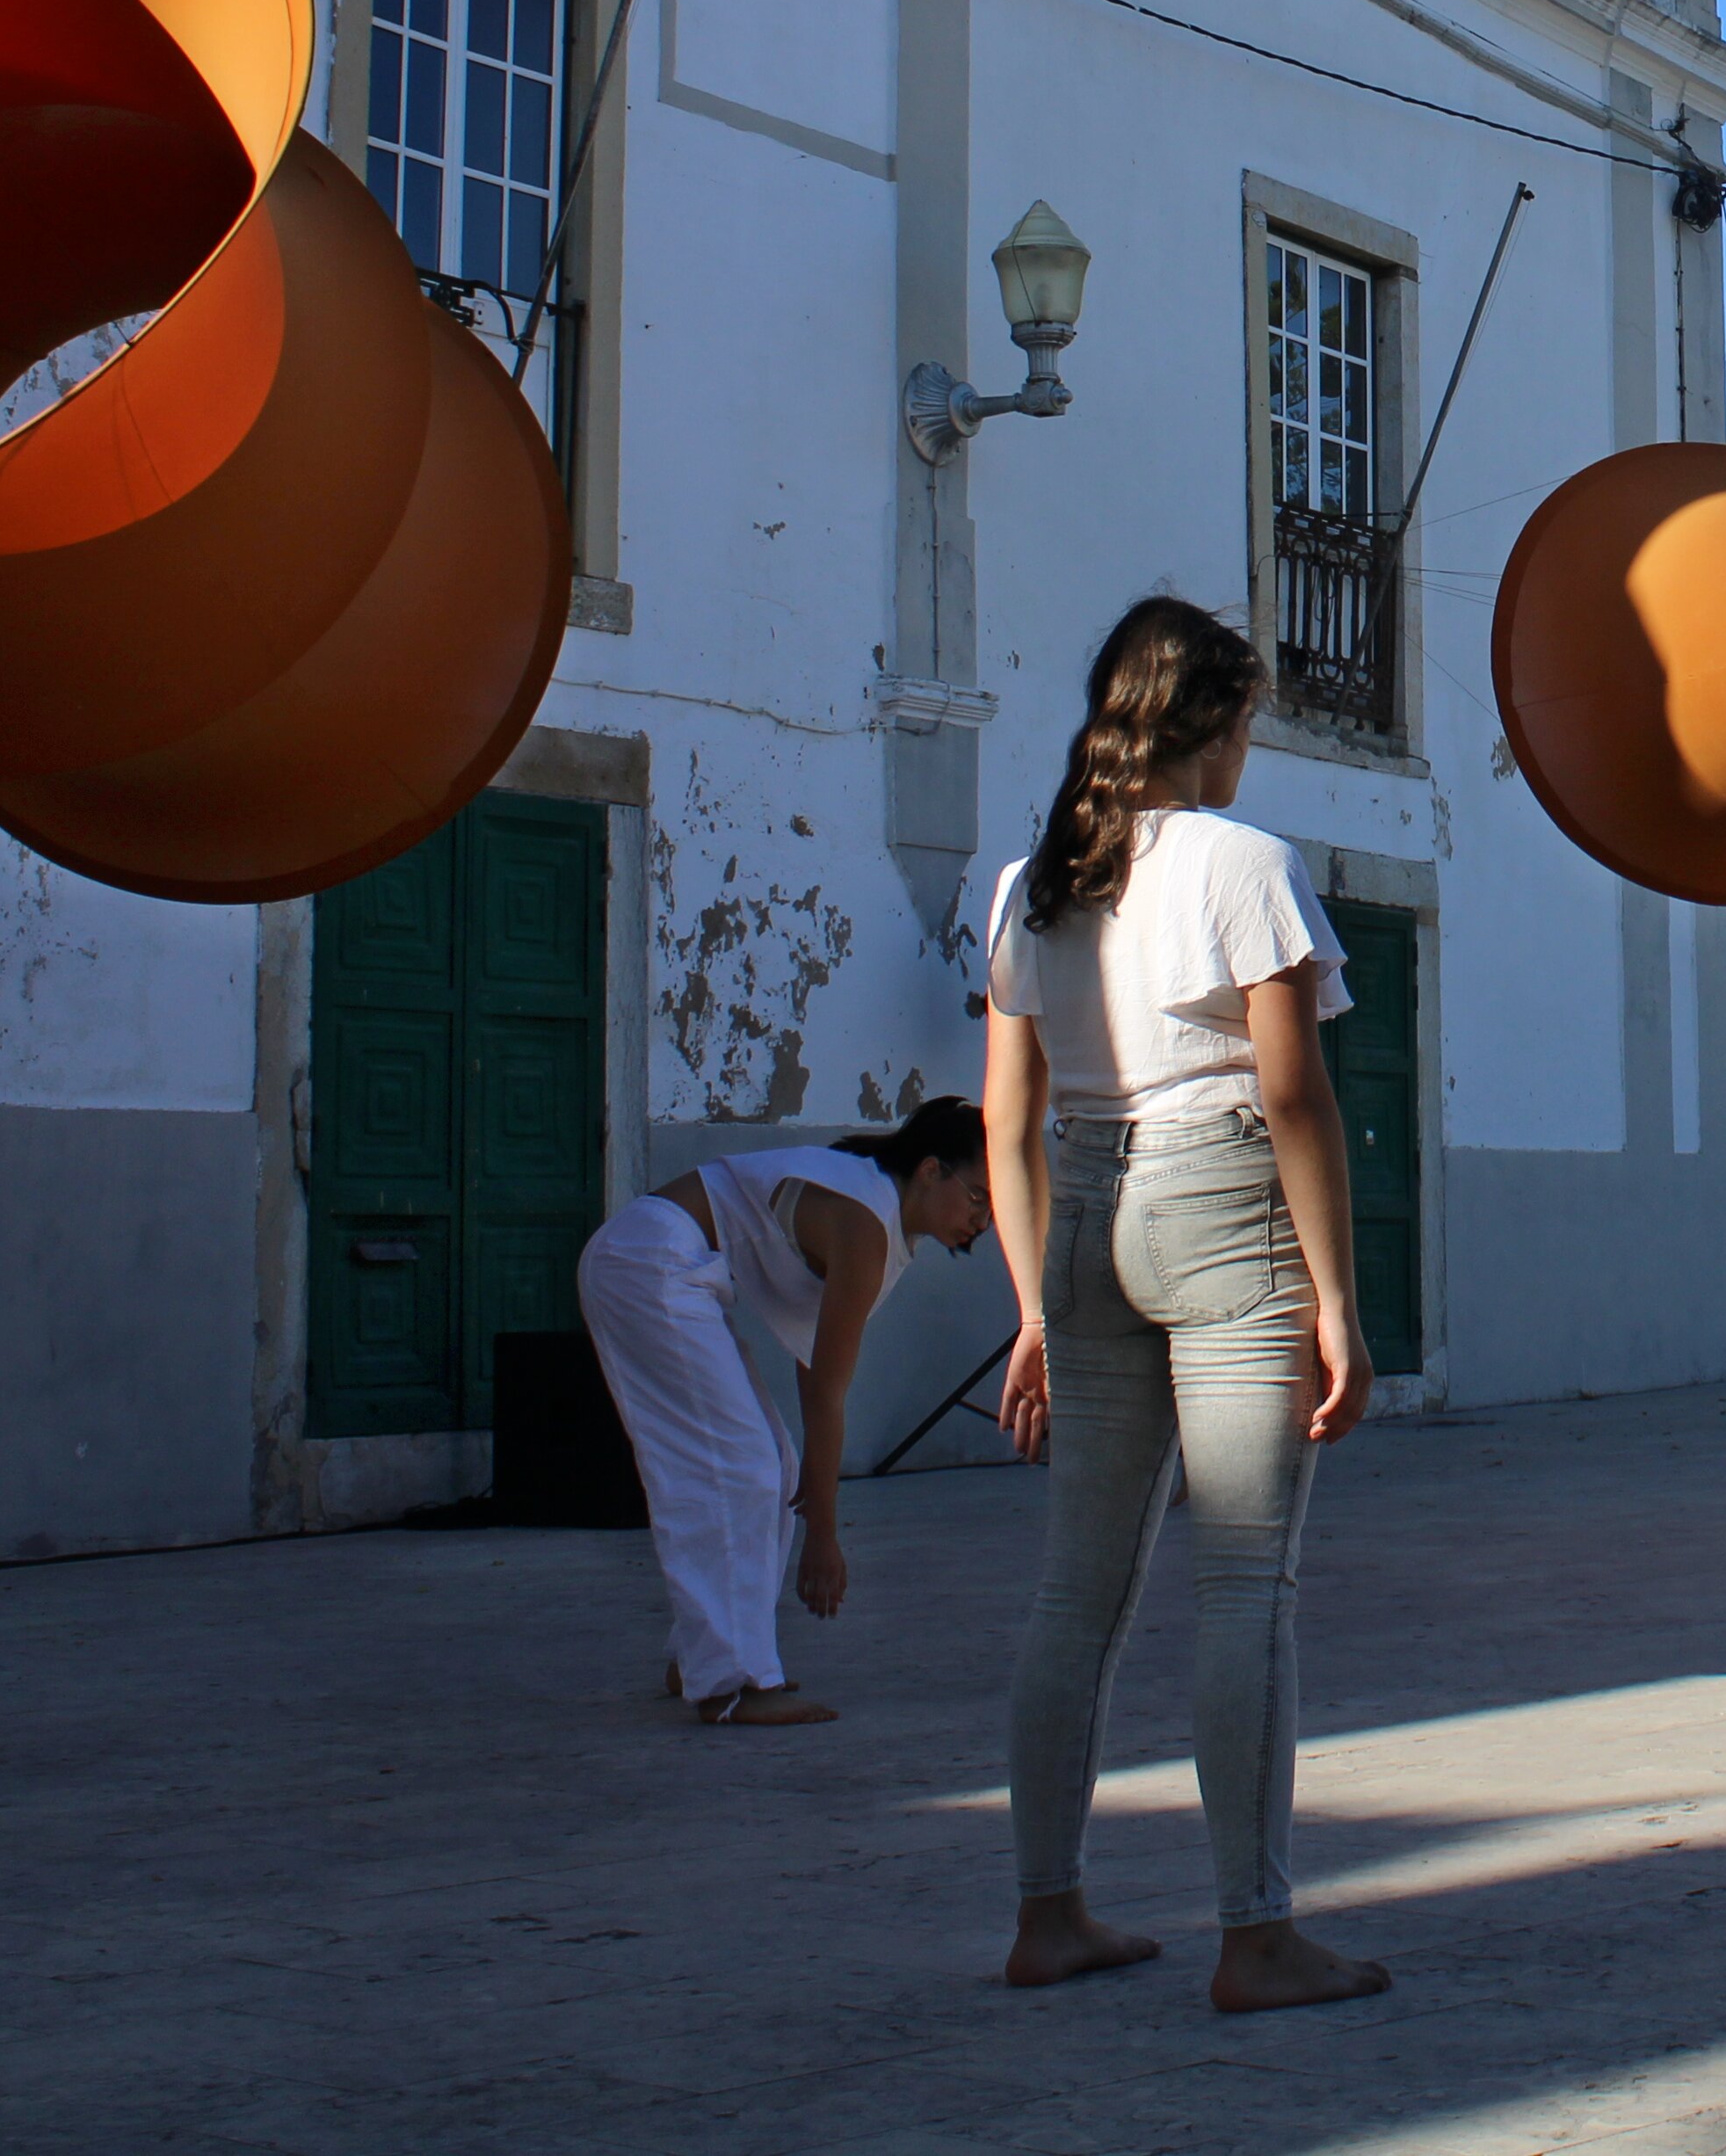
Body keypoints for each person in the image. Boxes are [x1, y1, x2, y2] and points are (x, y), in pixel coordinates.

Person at [982, 597, 1387, 2015]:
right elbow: (1292, 1094)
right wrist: (1336, 1298)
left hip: (1086, 1211)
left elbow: (1008, 1117)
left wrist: (1034, 1305)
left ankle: (1049, 1912)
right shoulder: (1243, 865)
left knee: (1076, 1592)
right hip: (1221, 1206)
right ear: (1214, 723)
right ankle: (1255, 1931)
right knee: (1242, 1583)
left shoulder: (1035, 881)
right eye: (1248, 726)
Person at [573, 1094, 991, 1723]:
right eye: (980, 1196)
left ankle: (703, 1659)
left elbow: (814, 1368)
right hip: (647, 1264)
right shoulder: (864, 1221)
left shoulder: (878, 1220)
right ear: (931, 1170)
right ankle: (731, 1685)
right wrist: (822, 1535)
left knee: (772, 1468)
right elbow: (826, 1390)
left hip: (669, 1270)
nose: (984, 1220)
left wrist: (817, 1510)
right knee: (740, 1470)